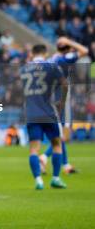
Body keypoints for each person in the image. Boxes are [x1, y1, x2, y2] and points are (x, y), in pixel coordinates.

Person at [21, 45, 68, 190]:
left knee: (34, 148)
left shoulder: (24, 69)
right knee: (56, 144)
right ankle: (55, 178)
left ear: (32, 53)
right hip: (48, 111)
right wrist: (62, 101)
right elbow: (64, 83)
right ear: (45, 53)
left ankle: (38, 180)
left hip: (31, 112)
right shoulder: (51, 66)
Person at [40, 36, 89, 175]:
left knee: (59, 133)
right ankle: (44, 157)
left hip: (49, 99)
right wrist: (70, 41)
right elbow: (85, 50)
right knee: (64, 135)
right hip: (61, 99)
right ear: (67, 49)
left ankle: (66, 165)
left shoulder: (51, 59)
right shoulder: (64, 59)